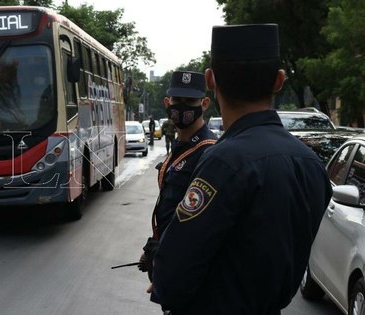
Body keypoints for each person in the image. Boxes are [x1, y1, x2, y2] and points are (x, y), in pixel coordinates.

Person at [149, 24, 332, 315]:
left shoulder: (222, 162)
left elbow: (172, 276)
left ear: (210, 80)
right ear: (279, 81)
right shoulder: (310, 163)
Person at [137, 71, 217, 309]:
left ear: (204, 103)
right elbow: (171, 209)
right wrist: (153, 247)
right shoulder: (179, 147)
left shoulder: (208, 152)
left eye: (190, 102)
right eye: (177, 101)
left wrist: (169, 269)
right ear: (167, 104)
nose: (182, 108)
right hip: (168, 262)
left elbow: (198, 227)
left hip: (186, 273)